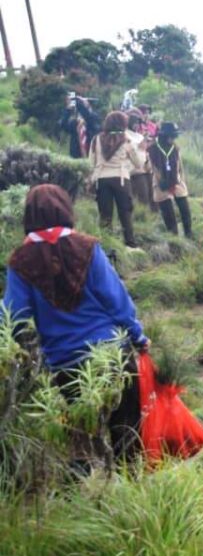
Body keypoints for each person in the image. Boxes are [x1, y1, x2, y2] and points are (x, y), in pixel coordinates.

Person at [3, 185, 149, 463]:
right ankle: (132, 490)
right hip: (111, 353)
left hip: (64, 362)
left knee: (81, 437)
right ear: (65, 209)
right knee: (126, 432)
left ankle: (88, 493)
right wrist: (138, 336)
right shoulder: (88, 247)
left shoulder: (20, 261)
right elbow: (116, 299)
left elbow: (14, 316)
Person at [89, 111, 144, 249]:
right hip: (121, 179)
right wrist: (142, 151)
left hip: (101, 179)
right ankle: (130, 245)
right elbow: (138, 163)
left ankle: (107, 245)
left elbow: (91, 162)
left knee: (105, 215)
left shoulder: (96, 139)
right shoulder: (126, 140)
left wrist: (90, 179)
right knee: (125, 213)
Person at [148, 122, 193, 239]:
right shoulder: (152, 149)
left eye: (174, 136)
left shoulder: (175, 148)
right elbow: (150, 167)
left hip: (176, 182)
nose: (172, 138)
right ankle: (174, 239)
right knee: (169, 214)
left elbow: (180, 167)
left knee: (185, 210)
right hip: (160, 184)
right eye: (170, 136)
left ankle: (189, 234)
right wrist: (161, 181)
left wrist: (180, 181)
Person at [125, 109, 155, 207]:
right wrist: (139, 145)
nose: (137, 125)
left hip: (146, 167)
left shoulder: (139, 135)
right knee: (142, 195)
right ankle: (142, 215)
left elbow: (144, 149)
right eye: (135, 123)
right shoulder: (126, 134)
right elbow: (131, 148)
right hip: (135, 169)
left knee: (152, 192)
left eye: (138, 123)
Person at [59, 94, 100, 159]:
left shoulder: (94, 118)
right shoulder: (75, 123)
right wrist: (68, 109)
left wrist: (80, 104)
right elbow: (62, 125)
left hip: (90, 156)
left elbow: (89, 118)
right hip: (75, 157)